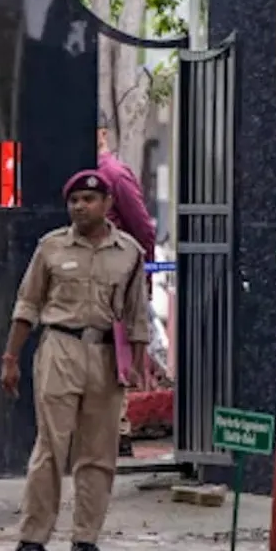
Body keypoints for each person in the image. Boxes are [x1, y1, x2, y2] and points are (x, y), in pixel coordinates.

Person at [0, 169, 148, 551]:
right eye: (74, 200)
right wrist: (10, 358)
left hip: (105, 356)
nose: (80, 206)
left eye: (89, 199)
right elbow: (27, 305)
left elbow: (136, 314)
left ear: (108, 205)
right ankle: (31, 542)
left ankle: (85, 544)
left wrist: (137, 363)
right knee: (51, 448)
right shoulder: (50, 247)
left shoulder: (129, 252)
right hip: (60, 348)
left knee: (99, 454)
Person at [96, 116, 156, 458]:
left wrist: (139, 281)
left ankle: (118, 433)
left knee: (115, 357)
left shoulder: (114, 174)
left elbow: (143, 230)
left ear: (102, 133)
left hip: (116, 281)